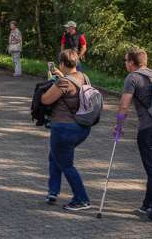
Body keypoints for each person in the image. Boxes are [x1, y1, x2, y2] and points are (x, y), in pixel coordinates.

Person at [113, 48, 152, 223]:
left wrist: (118, 126)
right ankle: (148, 204)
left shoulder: (132, 77)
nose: (125, 63)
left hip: (149, 130)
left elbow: (124, 105)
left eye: (126, 60)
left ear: (132, 63)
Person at [40, 49, 92, 211]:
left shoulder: (63, 83)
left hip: (63, 129)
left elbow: (46, 99)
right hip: (82, 127)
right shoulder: (84, 78)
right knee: (55, 156)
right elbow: (73, 90)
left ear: (62, 64)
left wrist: (52, 82)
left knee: (66, 164)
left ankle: (81, 199)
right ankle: (53, 191)